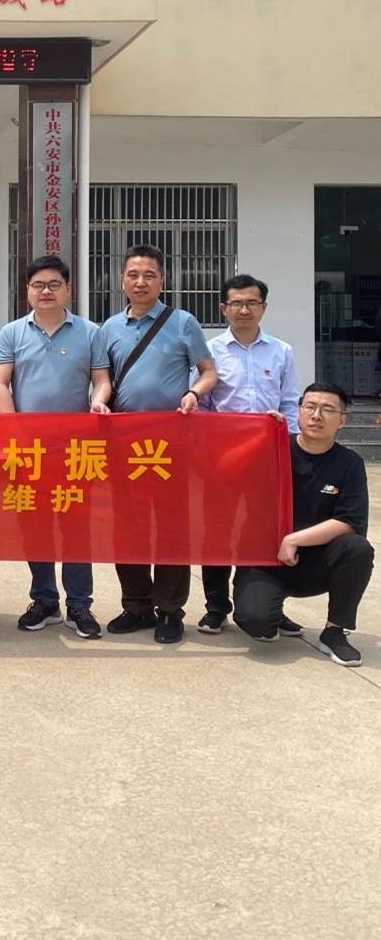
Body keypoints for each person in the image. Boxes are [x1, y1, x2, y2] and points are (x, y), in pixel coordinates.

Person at [0, 254, 112, 640]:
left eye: (54, 284)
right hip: (28, 450)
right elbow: (0, 384)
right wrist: (13, 428)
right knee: (35, 525)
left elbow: (101, 379)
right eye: (38, 285)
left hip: (76, 451)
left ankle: (79, 604)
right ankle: (44, 600)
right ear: (27, 291)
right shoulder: (12, 332)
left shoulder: (90, 332)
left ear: (68, 289)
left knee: (76, 527)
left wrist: (98, 401)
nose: (46, 291)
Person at [101, 244, 216, 644]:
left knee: (172, 526)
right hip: (123, 442)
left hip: (171, 442)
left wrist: (194, 393)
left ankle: (169, 610)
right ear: (122, 281)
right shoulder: (108, 328)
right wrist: (99, 402)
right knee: (127, 526)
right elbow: (102, 379)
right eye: (133, 275)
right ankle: (136, 606)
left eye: (149, 275)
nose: (141, 282)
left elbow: (208, 372)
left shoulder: (183, 322)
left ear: (162, 281)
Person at [234, 382, 374, 666]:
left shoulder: (349, 463)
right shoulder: (273, 449)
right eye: (310, 407)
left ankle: (334, 631)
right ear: (298, 412)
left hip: (318, 561)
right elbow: (226, 466)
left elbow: (350, 521)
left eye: (327, 409)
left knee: (358, 548)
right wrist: (257, 432)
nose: (316, 415)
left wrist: (294, 539)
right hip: (266, 560)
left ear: (342, 420)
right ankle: (273, 613)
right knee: (256, 622)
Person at [197, 273, 302, 636]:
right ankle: (216, 608)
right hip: (223, 460)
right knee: (218, 532)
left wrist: (289, 444)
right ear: (223, 308)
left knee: (267, 532)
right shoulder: (209, 352)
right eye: (237, 303)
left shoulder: (281, 351)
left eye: (251, 303)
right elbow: (204, 406)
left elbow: (290, 402)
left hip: (269, 460)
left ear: (264, 307)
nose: (244, 310)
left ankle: (271, 605)